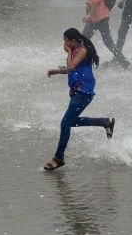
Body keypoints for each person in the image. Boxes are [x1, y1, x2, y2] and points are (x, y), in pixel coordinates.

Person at [44, 27, 116, 171]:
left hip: (84, 90)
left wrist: (69, 51)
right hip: (79, 89)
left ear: (73, 41)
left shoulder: (82, 50)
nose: (64, 44)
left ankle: (59, 159)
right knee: (69, 122)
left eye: (66, 42)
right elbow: (72, 68)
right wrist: (57, 71)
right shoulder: (77, 50)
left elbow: (71, 66)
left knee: (65, 124)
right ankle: (105, 122)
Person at [80, 0, 129, 68]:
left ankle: (124, 62)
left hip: (102, 16)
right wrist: (88, 14)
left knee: (108, 43)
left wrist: (89, 15)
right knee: (83, 42)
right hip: (92, 17)